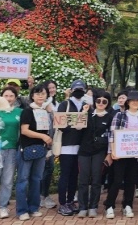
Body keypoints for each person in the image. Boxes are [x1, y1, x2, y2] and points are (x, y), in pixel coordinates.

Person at [104, 91, 138, 219]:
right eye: (132, 101)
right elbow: (112, 135)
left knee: (130, 181)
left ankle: (128, 205)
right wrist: (112, 152)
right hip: (120, 154)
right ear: (128, 102)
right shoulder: (120, 115)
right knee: (116, 180)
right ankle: (109, 206)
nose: (135, 103)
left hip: (134, 155)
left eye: (137, 101)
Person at [0, 86, 23, 220]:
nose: (8, 98)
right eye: (6, 96)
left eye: (11, 96)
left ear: (15, 98)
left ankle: (3, 206)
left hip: (12, 149)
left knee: (7, 181)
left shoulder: (19, 112)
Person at [16, 84, 53, 221]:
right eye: (37, 94)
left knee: (36, 179)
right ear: (32, 96)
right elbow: (24, 130)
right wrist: (43, 137)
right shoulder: (27, 111)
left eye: (43, 94)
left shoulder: (45, 111)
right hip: (27, 148)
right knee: (23, 180)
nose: (40, 96)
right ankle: (21, 210)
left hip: (41, 149)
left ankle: (33, 207)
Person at [77, 89, 113, 218]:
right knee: (83, 180)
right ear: (95, 101)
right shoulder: (88, 113)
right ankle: (82, 207)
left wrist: (109, 154)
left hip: (100, 151)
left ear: (107, 103)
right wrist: (83, 112)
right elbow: (78, 127)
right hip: (84, 151)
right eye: (98, 100)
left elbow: (112, 136)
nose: (101, 103)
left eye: (104, 101)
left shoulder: (110, 117)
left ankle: (93, 206)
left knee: (97, 180)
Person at [57, 80, 89, 216]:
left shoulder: (86, 105)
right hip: (66, 146)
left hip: (80, 147)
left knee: (74, 175)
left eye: (81, 89)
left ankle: (70, 200)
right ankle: (62, 203)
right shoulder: (65, 104)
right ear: (71, 90)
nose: (79, 91)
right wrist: (77, 123)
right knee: (65, 174)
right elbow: (60, 124)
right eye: (76, 89)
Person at [40, 80, 59, 209]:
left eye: (53, 87)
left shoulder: (56, 104)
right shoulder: (41, 106)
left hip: (52, 142)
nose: (52, 90)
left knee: (48, 169)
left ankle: (43, 196)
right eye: (49, 88)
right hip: (43, 143)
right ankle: (41, 196)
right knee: (44, 170)